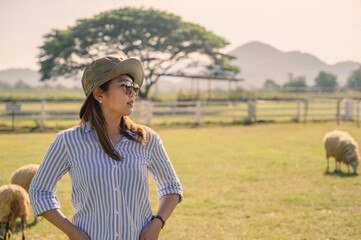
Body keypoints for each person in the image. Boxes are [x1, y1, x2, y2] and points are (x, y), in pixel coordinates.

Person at [29, 56, 183, 240]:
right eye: (125, 86)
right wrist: (73, 232)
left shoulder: (146, 139)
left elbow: (171, 187)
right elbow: (39, 191)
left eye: (134, 87)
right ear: (99, 94)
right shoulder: (67, 141)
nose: (132, 93)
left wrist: (157, 223)